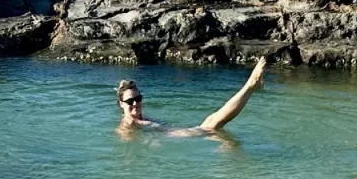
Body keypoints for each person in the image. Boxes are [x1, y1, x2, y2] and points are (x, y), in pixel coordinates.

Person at [116, 56, 270, 136]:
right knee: (213, 123)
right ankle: (250, 86)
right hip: (173, 137)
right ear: (121, 104)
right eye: (130, 101)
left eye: (138, 99)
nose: (135, 103)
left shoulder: (141, 118)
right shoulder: (129, 122)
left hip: (172, 133)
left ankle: (251, 87)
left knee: (214, 122)